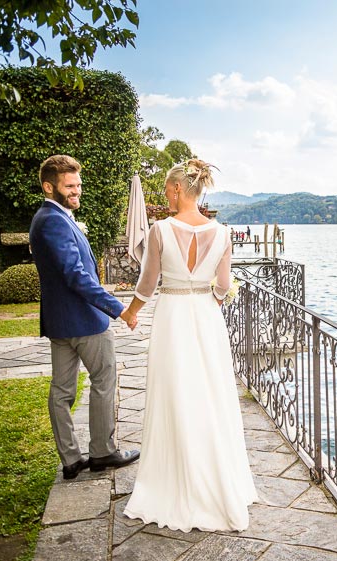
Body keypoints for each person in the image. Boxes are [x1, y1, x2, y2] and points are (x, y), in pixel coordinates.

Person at [122, 158, 257, 532]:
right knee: (211, 392)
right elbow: (223, 285)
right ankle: (218, 479)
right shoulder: (224, 233)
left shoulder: (160, 230)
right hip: (206, 317)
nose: (165, 195)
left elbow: (148, 284)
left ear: (179, 188)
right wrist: (207, 302)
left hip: (173, 316)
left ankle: (173, 481)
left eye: (167, 188)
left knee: (174, 392)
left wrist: (130, 312)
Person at [29, 155, 140, 480]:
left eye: (78, 184)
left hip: (61, 323)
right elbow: (76, 275)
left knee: (62, 390)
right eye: (69, 186)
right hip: (85, 323)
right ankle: (102, 453)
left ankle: (72, 460)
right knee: (103, 382)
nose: (77, 191)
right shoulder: (51, 220)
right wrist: (117, 308)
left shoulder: (51, 217)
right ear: (49, 186)